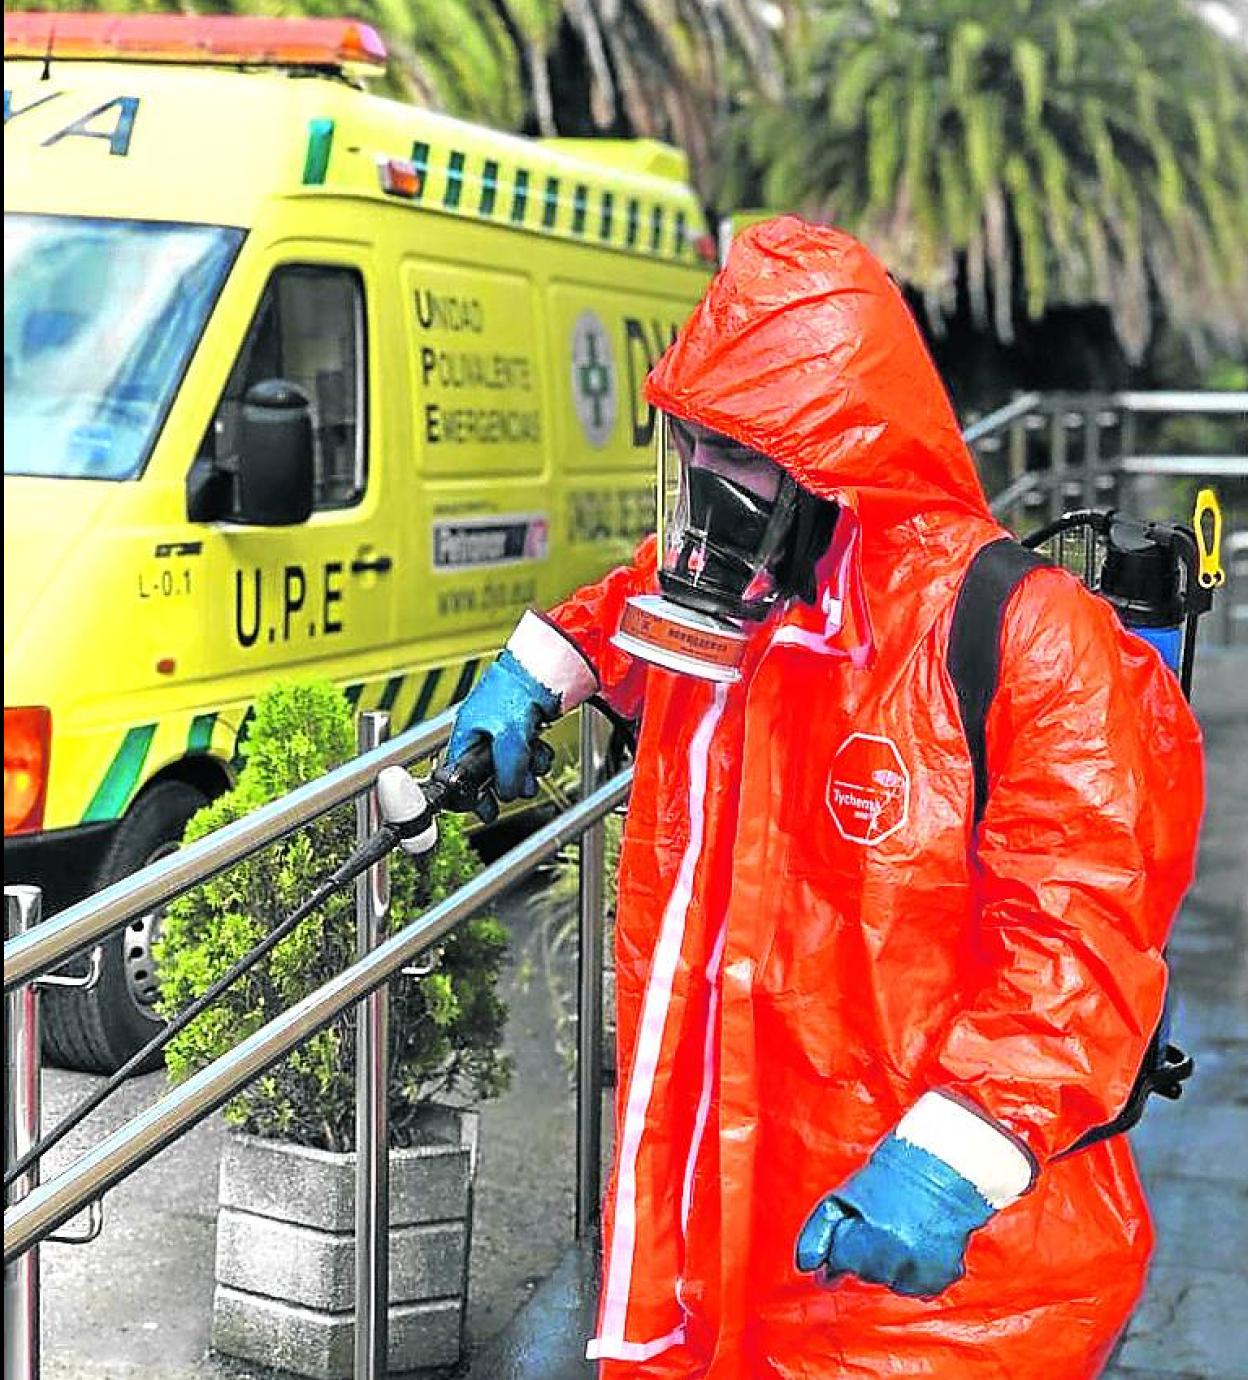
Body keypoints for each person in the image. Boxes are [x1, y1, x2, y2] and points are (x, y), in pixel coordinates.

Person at [444, 216, 1204, 1378]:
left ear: (838, 460)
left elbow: (1079, 936)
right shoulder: (740, 601)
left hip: (938, 1283)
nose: (706, 486)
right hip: (727, 1239)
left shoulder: (1021, 636)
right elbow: (635, 608)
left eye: (740, 457)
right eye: (694, 447)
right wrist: (544, 667)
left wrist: (958, 1153)